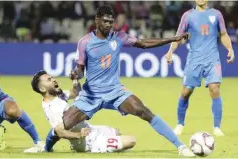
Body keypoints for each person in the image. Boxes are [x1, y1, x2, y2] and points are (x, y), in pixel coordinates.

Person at [60, 5, 195, 157]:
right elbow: (80, 69)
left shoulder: (119, 37)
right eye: (105, 21)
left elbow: (143, 43)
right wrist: (75, 74)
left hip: (115, 91)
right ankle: (44, 145)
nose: (108, 25)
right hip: (91, 95)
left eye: (111, 22)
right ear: (97, 20)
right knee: (64, 124)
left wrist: (173, 38)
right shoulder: (85, 42)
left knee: (144, 111)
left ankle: (180, 146)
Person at [165, 0, 235, 136]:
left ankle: (217, 127)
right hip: (194, 60)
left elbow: (224, 34)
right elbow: (178, 36)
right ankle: (180, 124)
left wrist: (230, 48)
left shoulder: (216, 14)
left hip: (212, 59)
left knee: (214, 88)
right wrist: (170, 51)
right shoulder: (188, 16)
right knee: (185, 92)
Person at [31, 71, 136, 153]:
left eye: (52, 77)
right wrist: (79, 135)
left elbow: (75, 93)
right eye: (49, 79)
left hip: (91, 130)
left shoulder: (56, 96)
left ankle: (109, 148)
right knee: (131, 141)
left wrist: (75, 80)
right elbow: (59, 132)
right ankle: (100, 148)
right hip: (88, 142)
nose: (54, 80)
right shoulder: (53, 108)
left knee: (117, 132)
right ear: (42, 88)